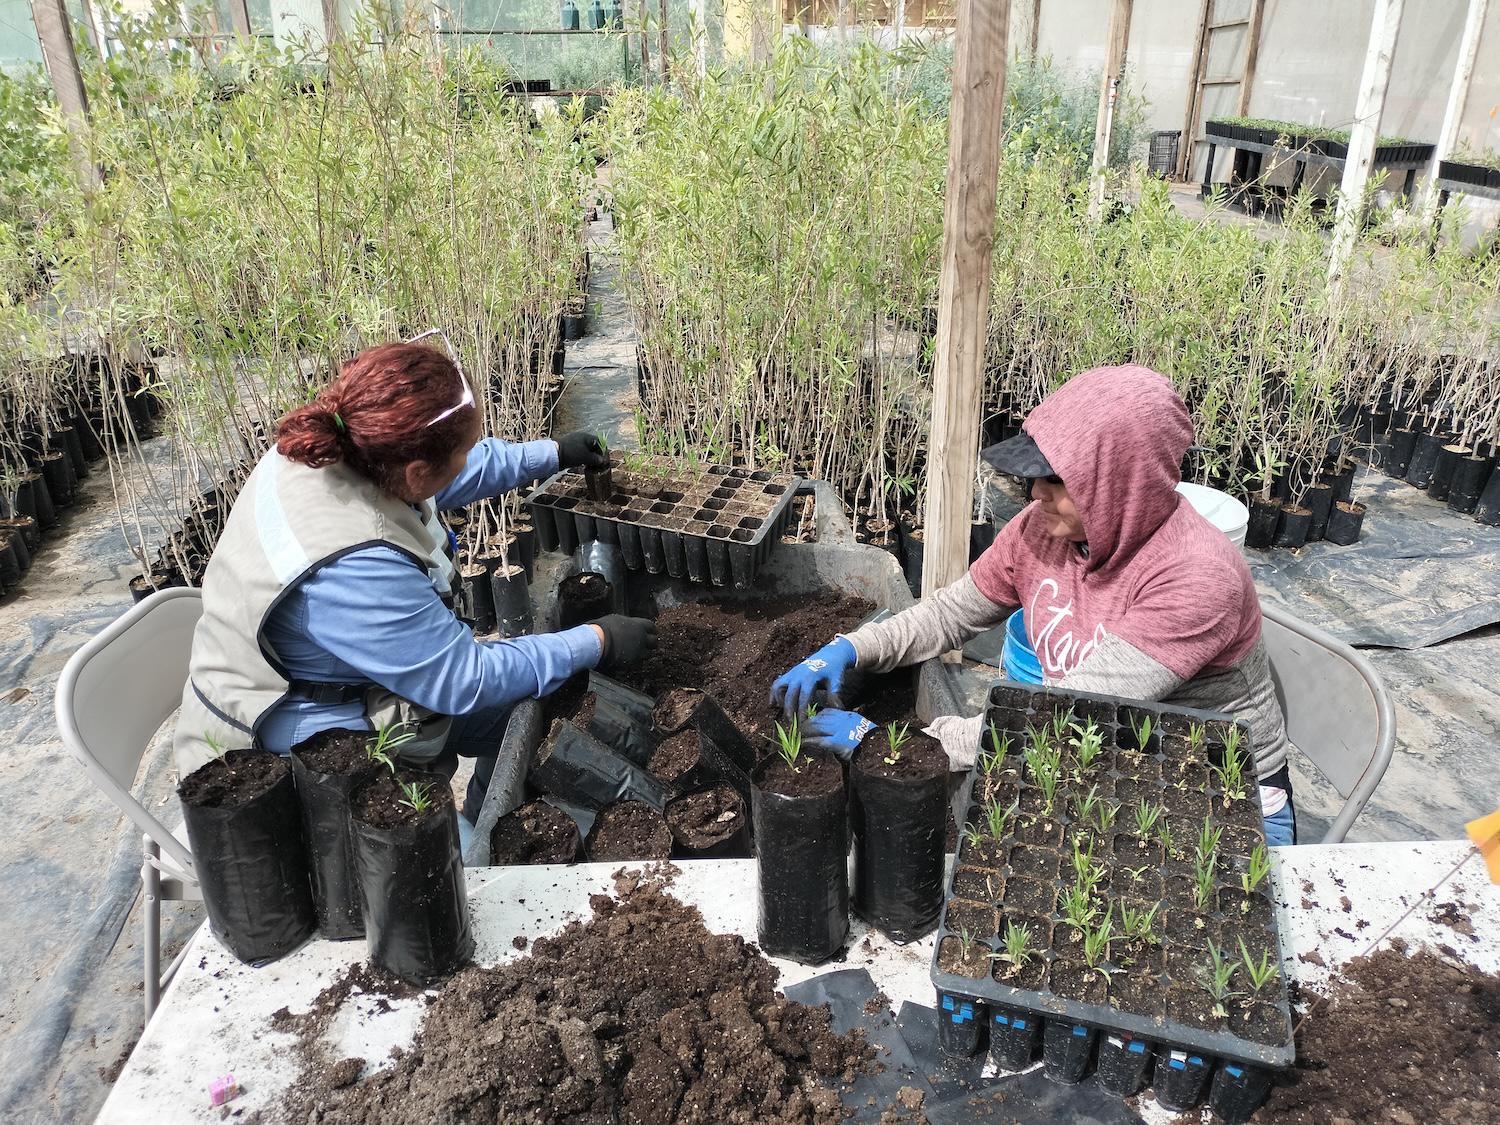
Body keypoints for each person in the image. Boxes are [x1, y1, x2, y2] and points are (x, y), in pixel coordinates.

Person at [772, 364, 1297, 846]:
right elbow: (951, 614)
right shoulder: (1039, 532)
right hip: (1102, 756)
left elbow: (1062, 716)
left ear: (1121, 485)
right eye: (1033, 477)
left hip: (1211, 787)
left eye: (1057, 481)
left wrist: (895, 745)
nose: (1033, 495)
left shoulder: (1194, 577)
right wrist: (851, 648)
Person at [173, 338, 656, 827]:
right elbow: (464, 679)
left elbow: (448, 477)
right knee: (431, 869)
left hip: (355, 682)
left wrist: (550, 453)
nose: (471, 457)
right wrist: (594, 640)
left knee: (539, 708)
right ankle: (476, 842)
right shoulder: (356, 567)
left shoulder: (337, 447)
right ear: (416, 469)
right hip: (305, 749)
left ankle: (486, 810)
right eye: (465, 450)